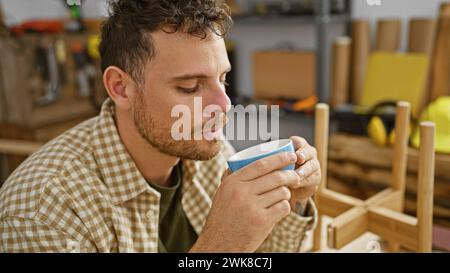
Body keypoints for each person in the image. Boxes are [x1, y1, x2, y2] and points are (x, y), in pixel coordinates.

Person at [0, 0, 321, 253]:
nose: (224, 106)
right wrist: (222, 246)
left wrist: (294, 201)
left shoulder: (210, 152)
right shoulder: (44, 213)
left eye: (222, 80)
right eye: (190, 87)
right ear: (120, 87)